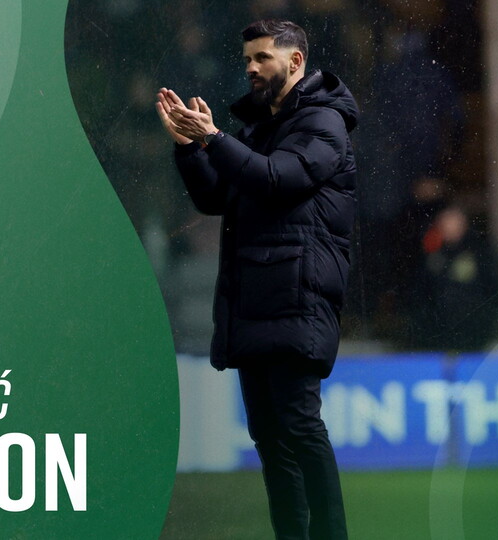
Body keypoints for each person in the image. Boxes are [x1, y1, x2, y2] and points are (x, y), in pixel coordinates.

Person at [155, 19, 358, 540]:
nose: (251, 67)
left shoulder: (324, 122)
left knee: (300, 426)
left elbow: (275, 180)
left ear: (295, 61)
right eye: (247, 58)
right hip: (256, 299)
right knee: (270, 436)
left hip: (297, 295)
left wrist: (214, 138)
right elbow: (216, 198)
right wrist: (189, 148)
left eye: (262, 57)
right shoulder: (262, 128)